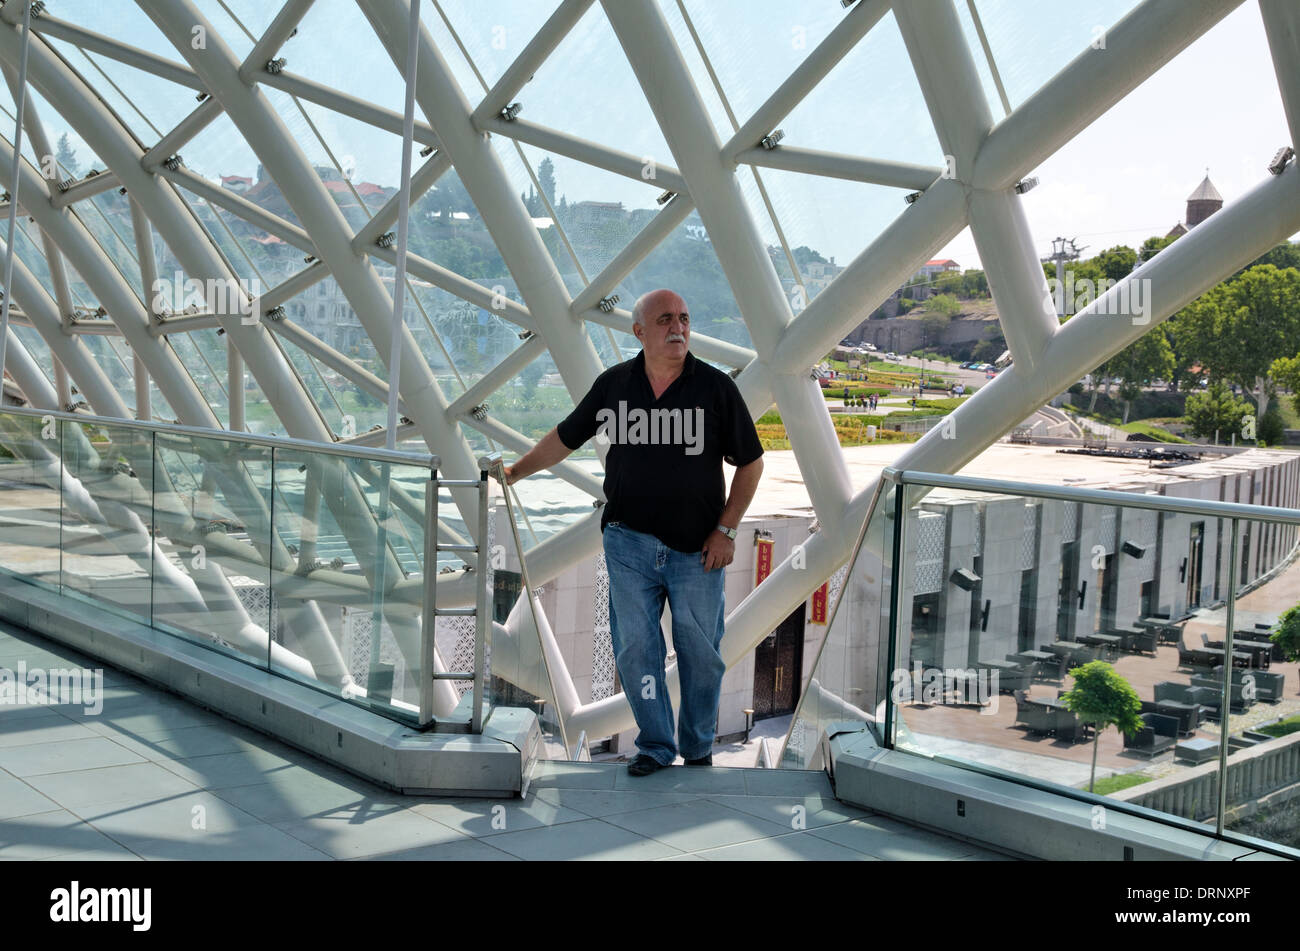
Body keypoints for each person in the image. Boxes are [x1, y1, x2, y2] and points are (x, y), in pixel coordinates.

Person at [504, 289, 764, 776]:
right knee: (635, 652)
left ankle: (698, 748)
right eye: (665, 320)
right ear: (639, 331)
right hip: (628, 544)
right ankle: (657, 747)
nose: (678, 329)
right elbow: (565, 437)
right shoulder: (614, 386)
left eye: (684, 319)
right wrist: (516, 472)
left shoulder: (715, 389)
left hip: (697, 551)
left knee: (701, 656)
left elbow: (751, 463)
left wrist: (726, 530)